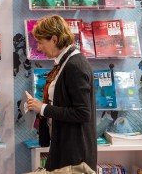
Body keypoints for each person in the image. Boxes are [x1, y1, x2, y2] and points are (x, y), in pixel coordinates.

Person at [27, 15, 97, 171]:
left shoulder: (75, 65)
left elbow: (83, 113)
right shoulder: (64, 63)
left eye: (40, 42)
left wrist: (43, 108)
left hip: (75, 155)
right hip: (64, 147)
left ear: (54, 39)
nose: (39, 48)